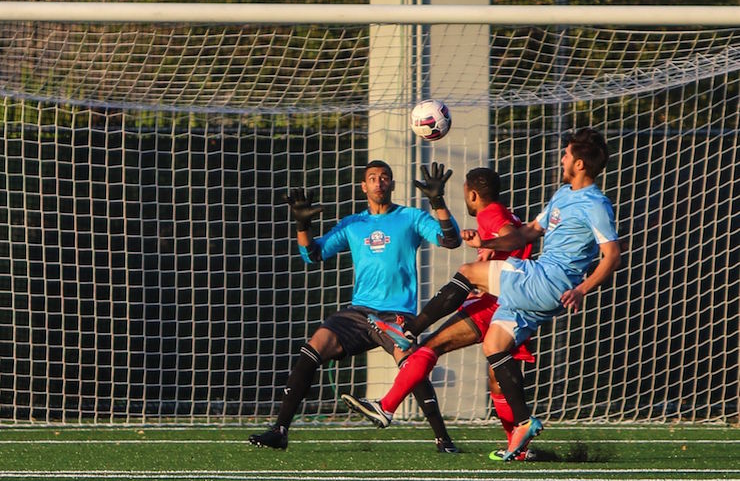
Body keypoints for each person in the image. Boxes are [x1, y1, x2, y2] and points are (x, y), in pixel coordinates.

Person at [372, 128, 620, 461]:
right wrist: (484, 243)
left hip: (549, 280)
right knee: (494, 346)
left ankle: (408, 331)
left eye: (566, 154)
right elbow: (526, 234)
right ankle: (522, 423)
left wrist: (582, 288)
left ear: (578, 162)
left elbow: (612, 255)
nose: (561, 158)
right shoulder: (563, 194)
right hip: (539, 283)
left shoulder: (596, 203)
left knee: (468, 272)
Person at [249, 160, 463, 452]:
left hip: (396, 313)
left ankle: (444, 440)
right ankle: (280, 430)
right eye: (373, 178)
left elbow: (450, 240)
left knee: (411, 363)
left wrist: (437, 202)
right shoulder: (353, 224)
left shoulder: (411, 217)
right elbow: (313, 255)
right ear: (364, 186)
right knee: (313, 347)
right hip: (358, 312)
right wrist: (302, 224)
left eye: (384, 177)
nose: (379, 182)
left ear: (392, 184)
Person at [341, 167, 539, 461]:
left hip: (498, 305)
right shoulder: (504, 212)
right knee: (498, 380)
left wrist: (484, 246)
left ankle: (387, 404)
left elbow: (513, 240)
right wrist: (489, 258)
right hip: (512, 301)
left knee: (429, 348)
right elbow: (512, 247)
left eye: (465, 196)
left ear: (473, 194)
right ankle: (518, 445)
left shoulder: (490, 214)